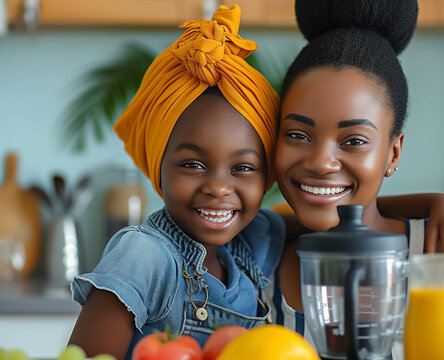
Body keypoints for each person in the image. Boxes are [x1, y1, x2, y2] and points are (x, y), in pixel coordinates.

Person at [268, 0, 444, 354]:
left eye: (354, 141)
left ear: (393, 153)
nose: (321, 162)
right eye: (297, 135)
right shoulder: (252, 261)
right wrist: (440, 201)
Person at [68, 5, 284, 360]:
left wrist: (410, 211)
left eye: (242, 167)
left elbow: (344, 219)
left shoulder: (254, 242)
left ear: (266, 177)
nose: (218, 187)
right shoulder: (143, 257)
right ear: (159, 167)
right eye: (193, 164)